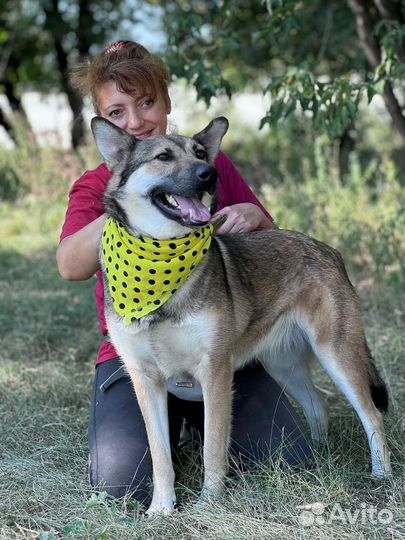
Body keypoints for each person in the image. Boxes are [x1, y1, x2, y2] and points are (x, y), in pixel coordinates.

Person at [57, 40, 314, 504]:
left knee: (289, 459)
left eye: (147, 103)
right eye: (117, 111)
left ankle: (203, 427)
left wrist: (256, 218)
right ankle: (170, 435)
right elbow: (70, 265)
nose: (135, 121)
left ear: (167, 102)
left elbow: (267, 234)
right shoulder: (97, 184)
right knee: (119, 486)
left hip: (216, 348)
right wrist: (128, 199)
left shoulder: (199, 166)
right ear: (102, 122)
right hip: (137, 354)